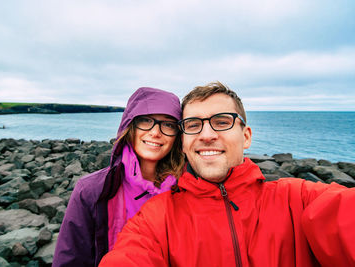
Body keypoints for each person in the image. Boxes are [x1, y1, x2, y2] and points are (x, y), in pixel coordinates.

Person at [99, 81, 355, 266]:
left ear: (246, 137)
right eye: (193, 125)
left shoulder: (297, 199)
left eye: (222, 122)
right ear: (184, 143)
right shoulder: (156, 218)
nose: (207, 135)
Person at [52, 87, 185, 266]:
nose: (155, 132)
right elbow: (71, 259)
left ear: (178, 135)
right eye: (146, 120)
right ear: (130, 125)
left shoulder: (188, 188)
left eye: (168, 124)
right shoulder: (92, 190)